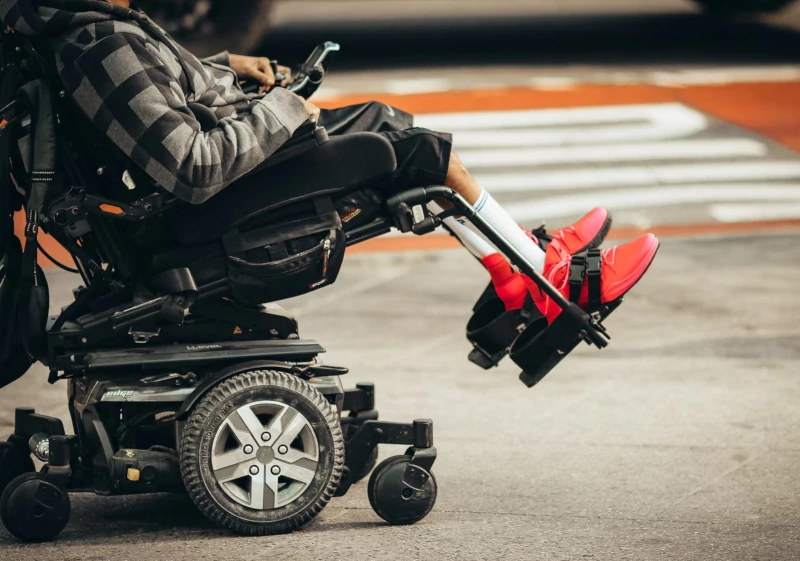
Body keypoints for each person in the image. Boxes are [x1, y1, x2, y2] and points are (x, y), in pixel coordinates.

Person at [0, 0, 659, 322]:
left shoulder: (90, 24)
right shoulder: (97, 40)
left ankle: (519, 266)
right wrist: (282, 109)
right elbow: (191, 165)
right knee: (408, 148)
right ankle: (547, 281)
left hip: (195, 195)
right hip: (200, 213)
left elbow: (154, 93)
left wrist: (222, 70)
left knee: (388, 125)